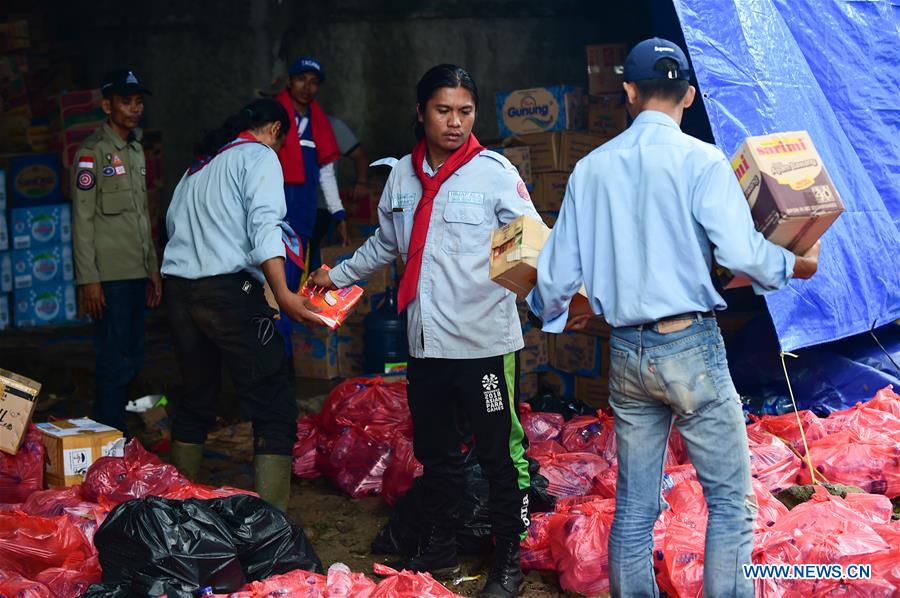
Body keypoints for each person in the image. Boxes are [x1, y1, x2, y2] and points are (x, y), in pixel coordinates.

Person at [527, 38, 821, 597]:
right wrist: (792, 263)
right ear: (688, 94)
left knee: (636, 507)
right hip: (690, 348)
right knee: (731, 502)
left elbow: (557, 273)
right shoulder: (703, 161)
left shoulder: (591, 170)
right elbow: (739, 255)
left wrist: (551, 311)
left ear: (630, 93)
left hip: (628, 352)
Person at [308, 64, 540, 598]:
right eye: (443, 111)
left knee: (500, 456)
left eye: (465, 111)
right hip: (427, 345)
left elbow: (533, 246)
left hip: (484, 345)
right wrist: (333, 275)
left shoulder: (495, 173)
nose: (455, 122)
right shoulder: (402, 178)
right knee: (436, 455)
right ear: (420, 113)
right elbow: (384, 246)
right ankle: (439, 551)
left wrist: (558, 297)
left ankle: (509, 558)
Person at [161, 98, 321, 512]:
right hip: (227, 293)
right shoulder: (259, 156)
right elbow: (264, 225)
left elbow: (172, 227)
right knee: (273, 399)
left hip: (180, 293)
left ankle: (179, 510)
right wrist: (283, 295)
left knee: (196, 397)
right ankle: (273, 523)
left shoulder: (195, 169)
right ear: (273, 130)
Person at [71, 68, 162, 434]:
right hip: (108, 277)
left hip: (135, 272)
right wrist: (88, 279)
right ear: (107, 105)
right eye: (127, 101)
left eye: (139, 101)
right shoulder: (92, 154)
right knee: (113, 358)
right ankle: (107, 438)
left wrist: (152, 268)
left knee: (133, 356)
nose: (135, 108)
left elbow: (142, 216)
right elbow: (82, 220)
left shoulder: (136, 151)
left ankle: (118, 433)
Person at [311, 115, 369, 266]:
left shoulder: (330, 125)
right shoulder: (284, 124)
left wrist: (361, 183)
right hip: (291, 206)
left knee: (314, 258)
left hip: (322, 206)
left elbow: (359, 156)